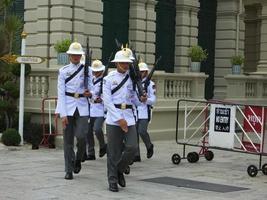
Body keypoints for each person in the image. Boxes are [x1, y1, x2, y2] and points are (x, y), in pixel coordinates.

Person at [103, 48, 147, 192]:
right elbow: (107, 102)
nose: (126, 65)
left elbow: (133, 98)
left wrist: (142, 100)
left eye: (127, 63)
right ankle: (112, 181)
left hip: (129, 116)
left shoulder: (132, 78)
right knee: (114, 151)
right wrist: (119, 119)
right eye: (123, 63)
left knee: (132, 147)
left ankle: (119, 169)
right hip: (114, 118)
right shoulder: (108, 79)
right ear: (117, 64)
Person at [56, 41, 92, 180]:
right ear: (69, 55)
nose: (76, 57)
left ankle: (78, 158)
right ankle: (68, 169)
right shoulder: (64, 71)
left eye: (78, 55)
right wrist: (63, 113)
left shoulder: (87, 70)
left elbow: (94, 88)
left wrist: (91, 93)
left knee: (82, 136)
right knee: (68, 141)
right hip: (68, 106)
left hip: (82, 106)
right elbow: (61, 93)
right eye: (73, 55)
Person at [133, 62, 156, 162]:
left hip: (144, 111)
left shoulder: (150, 84)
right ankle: (136, 155)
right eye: (139, 71)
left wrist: (145, 100)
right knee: (134, 134)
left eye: (143, 71)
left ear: (146, 72)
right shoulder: (134, 82)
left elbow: (153, 100)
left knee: (141, 131)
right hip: (134, 111)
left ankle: (149, 145)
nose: (141, 73)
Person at [86, 59, 107, 160]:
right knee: (88, 131)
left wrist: (101, 99)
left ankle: (103, 145)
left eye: (97, 71)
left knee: (97, 129)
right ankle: (91, 152)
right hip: (91, 108)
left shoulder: (105, 81)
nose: (95, 72)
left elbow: (107, 95)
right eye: (94, 71)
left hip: (100, 109)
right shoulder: (91, 79)